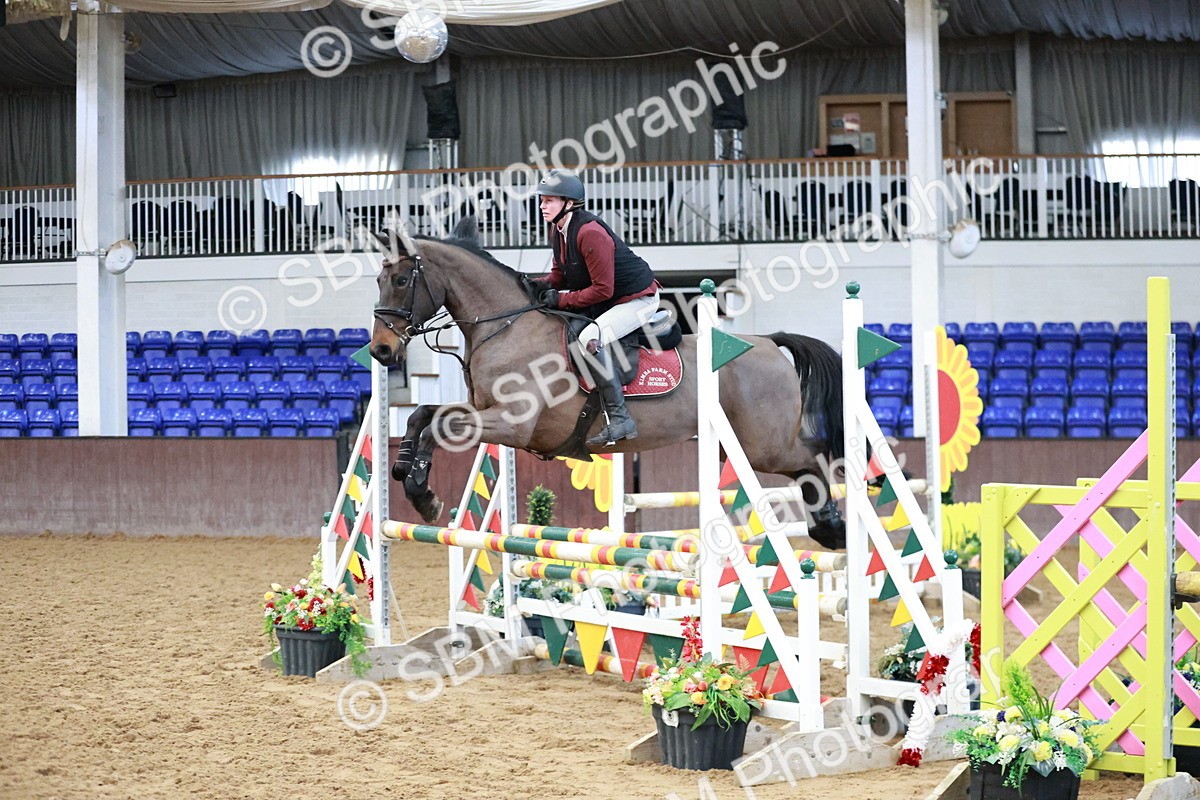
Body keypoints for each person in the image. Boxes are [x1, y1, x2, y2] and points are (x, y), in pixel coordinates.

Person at [530, 169, 661, 446]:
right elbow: (559, 275)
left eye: (549, 201)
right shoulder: (558, 228)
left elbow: (603, 289)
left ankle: (620, 418)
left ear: (569, 203)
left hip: (637, 300)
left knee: (589, 338)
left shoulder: (590, 233)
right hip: (610, 300)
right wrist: (531, 284)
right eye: (542, 200)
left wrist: (562, 300)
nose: (542, 206)